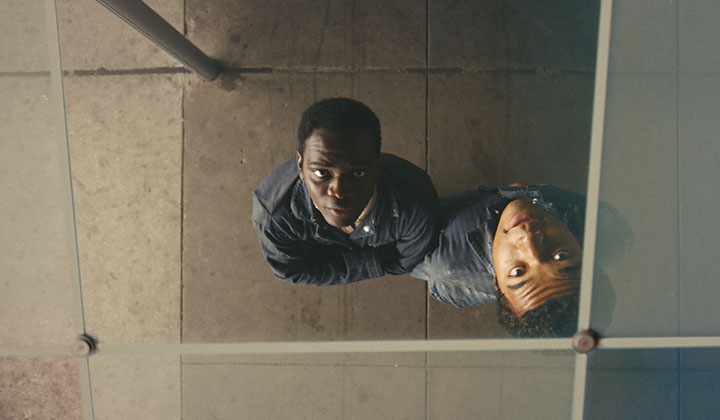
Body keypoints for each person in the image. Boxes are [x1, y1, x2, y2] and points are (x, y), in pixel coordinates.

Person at [252, 97, 440, 286]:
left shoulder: (417, 204)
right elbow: (293, 272)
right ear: (300, 166)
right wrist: (377, 258)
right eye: (321, 173)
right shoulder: (273, 214)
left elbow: (405, 263)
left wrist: (320, 258)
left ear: (377, 167)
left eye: (358, 173)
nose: (339, 191)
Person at [411, 184, 626, 337]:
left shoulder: (444, 261)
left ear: (496, 284)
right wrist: (516, 194)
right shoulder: (608, 227)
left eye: (518, 272)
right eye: (562, 256)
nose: (529, 240)